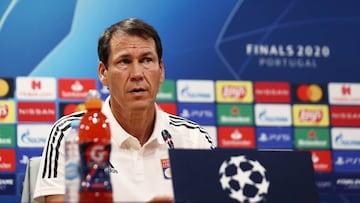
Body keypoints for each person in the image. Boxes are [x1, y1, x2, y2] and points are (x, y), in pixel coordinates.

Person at [33, 18, 215, 203]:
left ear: (161, 71)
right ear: (103, 73)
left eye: (147, 60)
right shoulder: (71, 134)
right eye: (124, 61)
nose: (137, 73)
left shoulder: (194, 139)